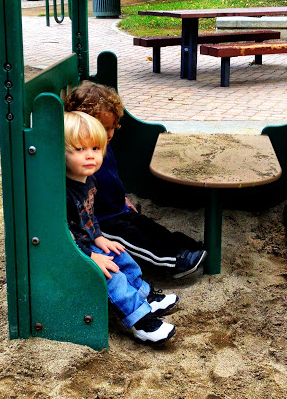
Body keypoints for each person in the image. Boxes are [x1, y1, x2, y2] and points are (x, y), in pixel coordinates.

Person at [64, 81, 206, 278]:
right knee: (134, 238)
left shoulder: (101, 147)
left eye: (113, 127)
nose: (109, 134)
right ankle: (174, 261)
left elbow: (111, 178)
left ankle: (183, 245)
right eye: (104, 128)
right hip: (102, 220)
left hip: (118, 208)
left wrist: (122, 197)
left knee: (146, 226)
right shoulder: (81, 159)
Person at [64, 110, 178, 344]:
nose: (90, 156)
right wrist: (90, 257)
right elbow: (63, 233)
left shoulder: (88, 179)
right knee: (112, 276)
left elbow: (89, 214)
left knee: (120, 254)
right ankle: (141, 322)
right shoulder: (62, 192)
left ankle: (145, 297)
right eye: (80, 149)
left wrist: (98, 237)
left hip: (87, 244)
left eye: (95, 148)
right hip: (73, 252)